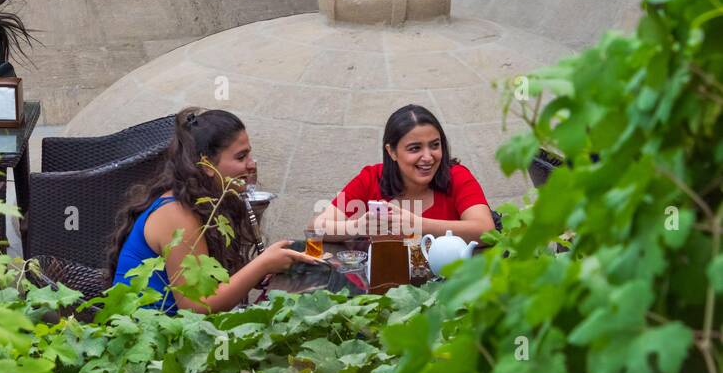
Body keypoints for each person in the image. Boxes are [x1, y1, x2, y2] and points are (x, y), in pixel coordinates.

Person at [110, 108, 319, 314]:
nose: (251, 164)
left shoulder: (203, 202)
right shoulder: (177, 214)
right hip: (151, 336)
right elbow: (197, 305)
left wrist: (252, 271)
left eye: (249, 154)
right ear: (207, 165)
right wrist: (262, 265)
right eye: (241, 157)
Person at [313, 104, 495, 243]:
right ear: (391, 152)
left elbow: (486, 231)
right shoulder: (371, 178)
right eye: (415, 148)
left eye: (435, 145)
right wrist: (357, 227)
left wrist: (416, 223)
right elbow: (316, 228)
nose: (428, 157)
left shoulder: (457, 176)